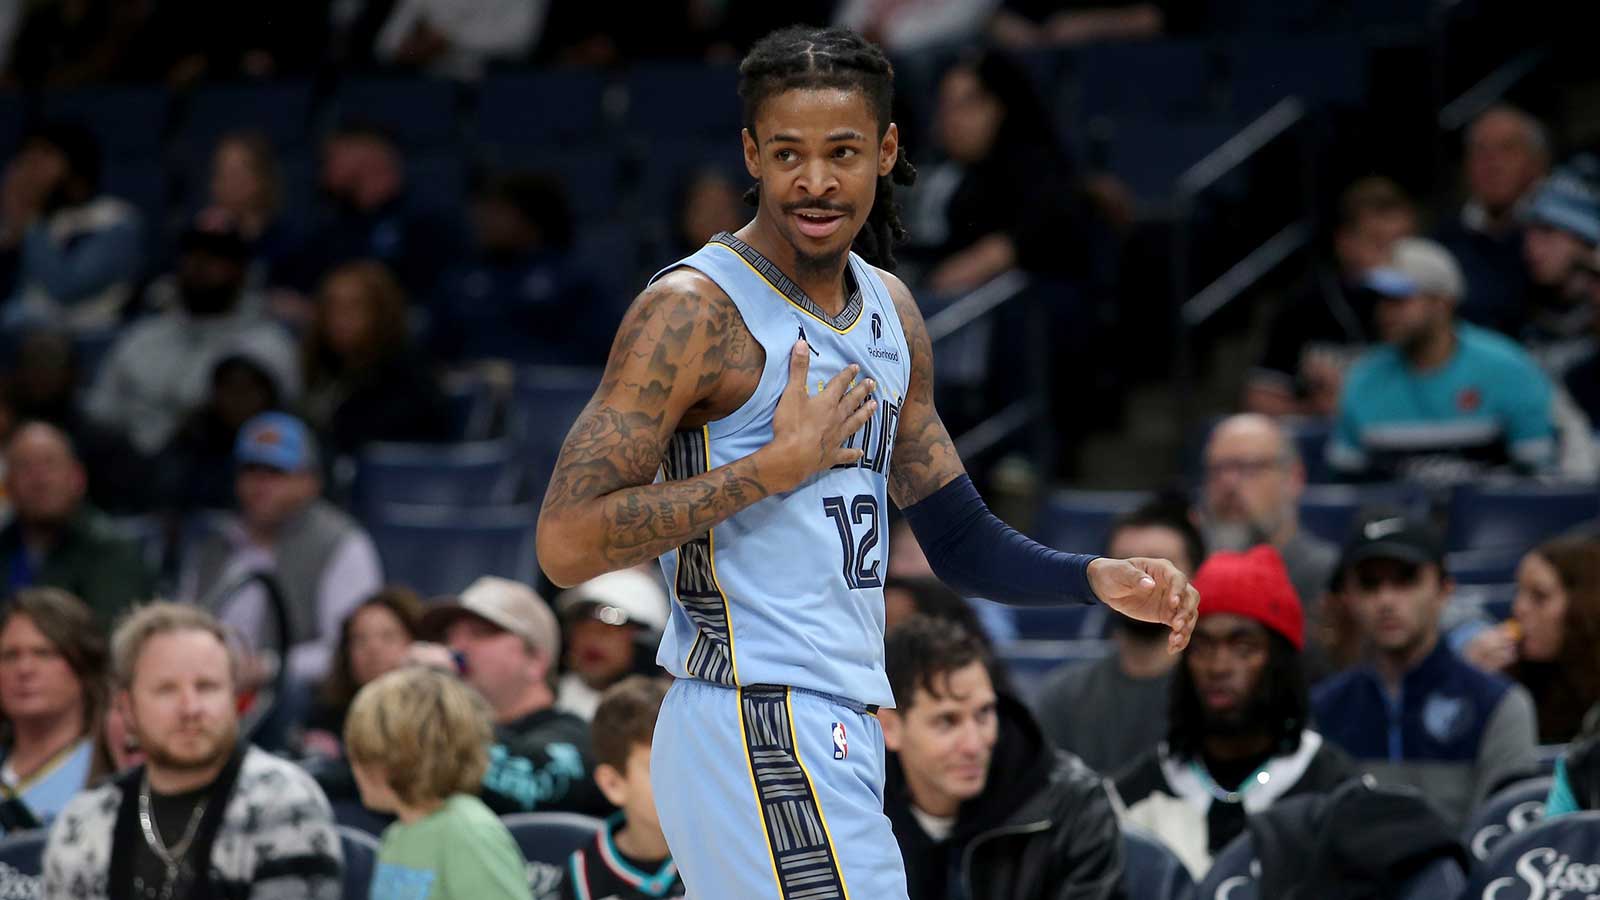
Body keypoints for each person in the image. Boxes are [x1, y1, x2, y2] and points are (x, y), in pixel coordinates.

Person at [534, 24, 1198, 900]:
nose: (815, 181)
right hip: (752, 709)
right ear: (751, 155)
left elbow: (956, 538)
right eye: (788, 154)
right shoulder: (694, 311)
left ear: (886, 149)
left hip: (835, 720)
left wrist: (1091, 577)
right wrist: (761, 473)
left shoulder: (890, 310)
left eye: (842, 151)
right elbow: (566, 541)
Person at [42, 602, 342, 898]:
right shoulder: (85, 820)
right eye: (167, 690)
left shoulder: (285, 801)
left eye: (207, 687)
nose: (190, 708)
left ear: (236, 700)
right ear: (127, 708)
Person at [1115, 546, 1357, 879]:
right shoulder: (1135, 795)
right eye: (1201, 646)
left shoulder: (1336, 791)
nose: (1219, 667)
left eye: (1244, 647)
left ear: (1279, 662)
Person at [1312, 515, 1539, 825]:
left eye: (1406, 580)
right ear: (1349, 598)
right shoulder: (1322, 710)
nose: (1386, 600)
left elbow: (1501, 836)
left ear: (1444, 590)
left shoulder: (1500, 705)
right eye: (1369, 583)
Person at [882, 616, 1123, 900]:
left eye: (984, 713)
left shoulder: (1074, 808)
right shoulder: (854, 809)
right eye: (947, 721)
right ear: (890, 727)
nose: (974, 745)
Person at [1327, 236, 1558, 484]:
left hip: (1496, 519)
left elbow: (1539, 483)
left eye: (1399, 299)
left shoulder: (1508, 369)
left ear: (1442, 303)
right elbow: (1347, 487)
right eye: (1381, 300)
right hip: (1391, 520)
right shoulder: (1364, 378)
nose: (1385, 313)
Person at [179, 412, 383, 682]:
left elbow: (348, 651)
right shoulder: (216, 541)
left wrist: (267, 668)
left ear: (310, 481)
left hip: (294, 703)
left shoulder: (341, 543)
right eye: (251, 471)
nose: (260, 486)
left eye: (275, 473)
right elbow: (181, 621)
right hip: (206, 684)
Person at [84, 209, 299, 457]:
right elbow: (99, 412)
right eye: (192, 254)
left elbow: (275, 436)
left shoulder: (268, 346)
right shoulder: (142, 337)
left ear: (241, 270)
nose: (200, 265)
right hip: (127, 471)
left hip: (219, 474)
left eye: (215, 256)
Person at [414, 576, 609, 816]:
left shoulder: (578, 739)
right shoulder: (443, 733)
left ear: (535, 661)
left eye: (480, 633)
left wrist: (437, 698)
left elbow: (527, 789)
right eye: (449, 637)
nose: (456, 647)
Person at [1035, 499, 1204, 774]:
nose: (1142, 582)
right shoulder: (1063, 697)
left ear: (1195, 576)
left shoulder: (1219, 693)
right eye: (1125, 566)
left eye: (1161, 567)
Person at [347, 665, 534, 900]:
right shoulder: (395, 835)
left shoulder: (468, 832)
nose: (354, 765)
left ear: (400, 758)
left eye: (364, 753)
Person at [1246, 177, 1418, 417]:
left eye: (1402, 245)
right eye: (1379, 243)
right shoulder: (1303, 305)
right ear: (1344, 242)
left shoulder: (1423, 304)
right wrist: (1315, 411)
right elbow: (1261, 398)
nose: (1392, 258)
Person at [432, 171, 610, 365]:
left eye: (497, 211)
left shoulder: (576, 279)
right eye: (483, 211)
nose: (483, 220)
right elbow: (435, 351)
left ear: (530, 218)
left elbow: (596, 353)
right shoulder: (459, 280)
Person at [0, 422, 155, 626]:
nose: (39, 480)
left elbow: (110, 636)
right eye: (25, 467)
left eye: (50, 464)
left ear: (78, 479)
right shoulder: (4, 545)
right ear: (8, 485)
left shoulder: (111, 549)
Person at [302, 260, 452, 461]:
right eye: (332, 306)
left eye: (354, 306)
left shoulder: (410, 379)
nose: (340, 318)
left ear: (381, 312)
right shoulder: (323, 369)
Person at [0, 123, 143, 331]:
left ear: (77, 165)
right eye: (26, 157)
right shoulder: (33, 220)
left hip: (89, 343)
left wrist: (28, 221)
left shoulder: (117, 220)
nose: (29, 168)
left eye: (44, 156)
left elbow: (66, 288)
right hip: (21, 339)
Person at [1196, 414, 1337, 617]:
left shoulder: (1329, 578)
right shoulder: (1191, 578)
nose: (1228, 483)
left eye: (1247, 467)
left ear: (1294, 477)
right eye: (1217, 469)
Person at [560, 677, 686, 900]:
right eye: (658, 767)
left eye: (687, 762)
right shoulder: (583, 873)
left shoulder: (720, 852)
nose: (681, 779)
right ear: (613, 784)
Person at [1434, 105, 1550, 336]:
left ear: (1538, 163)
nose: (1492, 163)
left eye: (1507, 149)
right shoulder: (1442, 242)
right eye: (1479, 151)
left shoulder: (1563, 235)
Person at [0, 588, 108, 833]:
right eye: (10, 655)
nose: (25, 669)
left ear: (83, 666)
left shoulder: (109, 767)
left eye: (44, 653)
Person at [301, 586, 425, 759]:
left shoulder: (433, 716)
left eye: (388, 636)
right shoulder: (327, 717)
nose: (373, 649)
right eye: (359, 639)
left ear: (416, 643)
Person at [1505, 537, 1600, 743]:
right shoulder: (1505, 683)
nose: (1518, 608)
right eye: (1518, 591)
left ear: (1583, 606)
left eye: (1539, 596)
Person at [1519, 156, 1600, 375]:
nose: (1531, 247)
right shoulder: (1517, 307)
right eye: (1529, 233)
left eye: (1547, 231)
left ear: (1585, 240)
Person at [555, 568, 669, 721]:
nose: (592, 637)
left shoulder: (670, 714)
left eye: (609, 628)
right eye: (582, 623)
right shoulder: (545, 699)